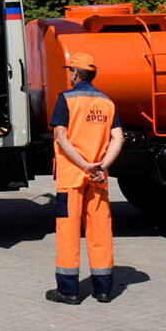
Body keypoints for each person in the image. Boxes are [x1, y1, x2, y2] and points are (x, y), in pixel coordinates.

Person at [47, 52, 124, 305]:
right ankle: (103, 290)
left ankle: (68, 291)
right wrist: (102, 165)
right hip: (99, 177)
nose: (68, 74)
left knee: (68, 233)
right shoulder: (106, 102)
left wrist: (84, 165)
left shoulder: (66, 99)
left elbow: (61, 136)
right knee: (100, 232)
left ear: (76, 73)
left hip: (71, 177)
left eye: (69, 70)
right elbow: (118, 137)